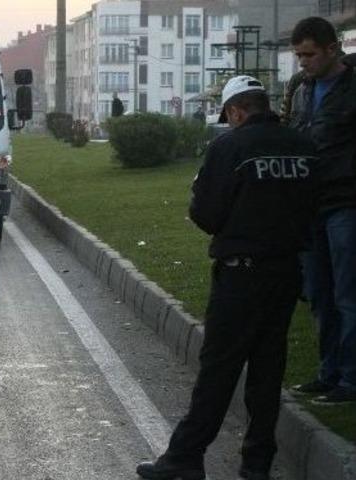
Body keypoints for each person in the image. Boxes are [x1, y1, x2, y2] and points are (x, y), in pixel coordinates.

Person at [136, 76, 317, 480]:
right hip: (286, 273)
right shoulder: (304, 147)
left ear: (236, 111)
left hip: (241, 276)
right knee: (268, 373)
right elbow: (315, 205)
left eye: (229, 116)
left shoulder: (229, 147)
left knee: (219, 369)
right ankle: (256, 466)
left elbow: (207, 213)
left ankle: (185, 457)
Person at [288, 17, 356, 405]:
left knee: (348, 295)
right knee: (319, 294)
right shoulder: (301, 88)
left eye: (309, 54)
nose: (303, 62)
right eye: (298, 55)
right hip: (310, 205)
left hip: (345, 204)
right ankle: (327, 372)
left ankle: (350, 379)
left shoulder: (352, 87)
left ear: (333, 48)